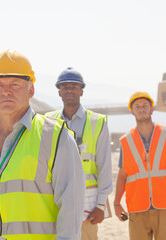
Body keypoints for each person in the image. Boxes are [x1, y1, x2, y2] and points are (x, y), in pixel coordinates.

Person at [0, 49, 85, 240]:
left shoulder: (55, 137)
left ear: (31, 90)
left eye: (14, 84)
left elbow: (71, 214)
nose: (6, 91)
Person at [45, 67, 112, 240]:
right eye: (64, 86)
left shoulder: (98, 122)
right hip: (55, 201)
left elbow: (104, 166)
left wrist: (101, 205)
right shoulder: (48, 121)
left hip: (87, 204)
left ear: (81, 91)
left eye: (73, 86)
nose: (69, 90)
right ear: (59, 92)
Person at [113, 91, 166, 240]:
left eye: (145, 106)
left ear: (152, 109)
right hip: (137, 209)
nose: (141, 109)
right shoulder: (126, 141)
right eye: (137, 106)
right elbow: (123, 174)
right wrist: (116, 203)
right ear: (132, 111)